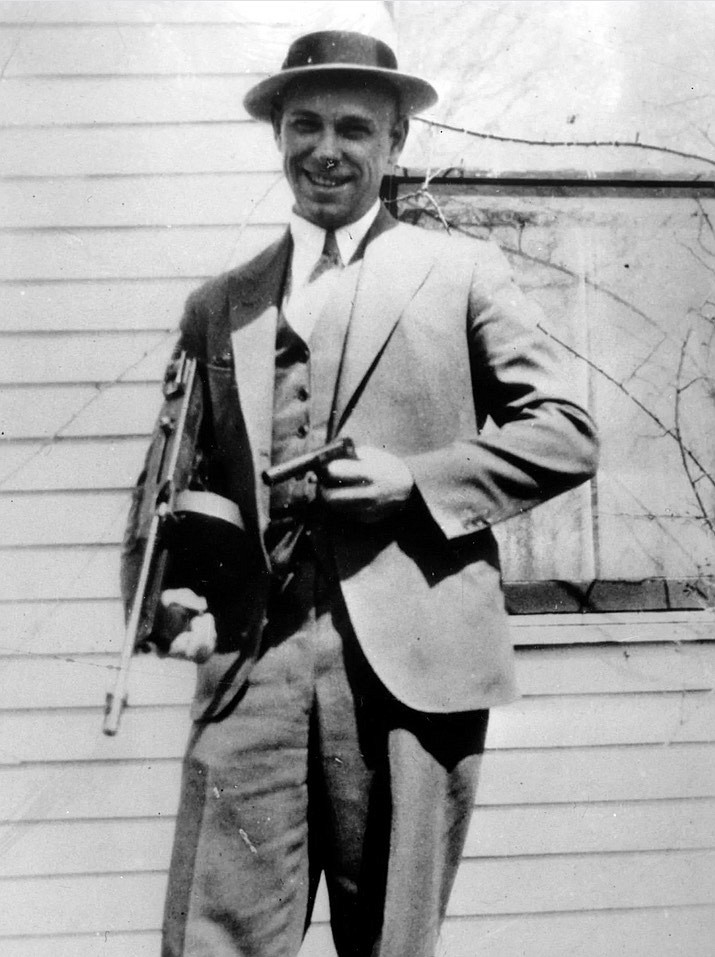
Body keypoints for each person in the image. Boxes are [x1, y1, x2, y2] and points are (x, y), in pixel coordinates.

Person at [122, 30, 598, 957]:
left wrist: (415, 481)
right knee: (209, 938)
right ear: (277, 138)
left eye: (353, 127)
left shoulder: (461, 273)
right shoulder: (222, 301)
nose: (325, 149)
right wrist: (171, 588)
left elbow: (566, 431)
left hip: (408, 666)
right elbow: (179, 479)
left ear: (394, 145)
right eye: (304, 125)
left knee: (387, 940)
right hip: (252, 667)